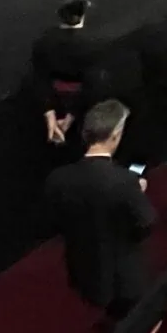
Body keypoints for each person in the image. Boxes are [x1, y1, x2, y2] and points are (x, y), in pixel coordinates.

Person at [44, 99, 156, 316]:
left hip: (83, 266)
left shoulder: (57, 179)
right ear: (115, 136)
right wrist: (135, 194)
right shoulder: (125, 182)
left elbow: (53, 223)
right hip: (123, 275)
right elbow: (146, 223)